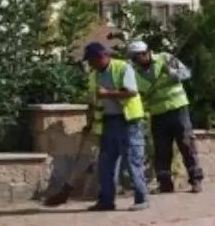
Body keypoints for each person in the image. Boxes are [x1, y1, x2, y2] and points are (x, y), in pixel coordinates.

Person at [127, 40, 205, 194]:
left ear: (146, 52)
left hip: (177, 109)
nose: (138, 60)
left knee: (186, 144)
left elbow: (186, 74)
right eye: (135, 58)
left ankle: (196, 180)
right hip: (157, 114)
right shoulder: (135, 73)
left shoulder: (165, 58)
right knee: (161, 150)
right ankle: (165, 184)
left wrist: (173, 73)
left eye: (139, 56)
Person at [83, 41, 149, 211]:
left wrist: (107, 93)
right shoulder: (95, 75)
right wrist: (89, 122)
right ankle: (106, 200)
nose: (90, 65)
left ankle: (141, 199)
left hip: (128, 121)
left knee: (132, 160)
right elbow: (94, 101)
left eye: (91, 61)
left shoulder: (123, 68)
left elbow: (132, 91)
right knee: (106, 163)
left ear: (100, 57)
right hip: (109, 122)